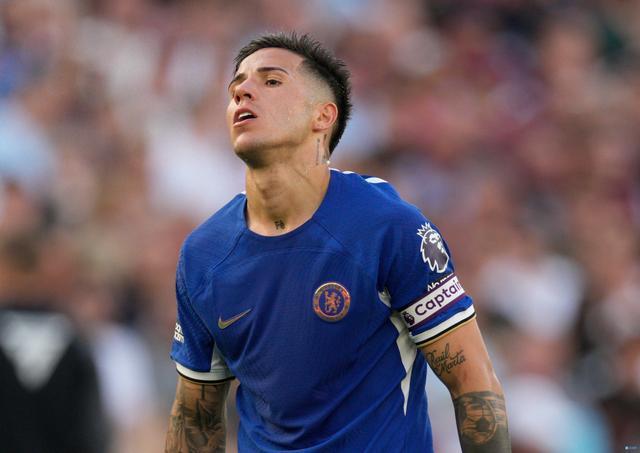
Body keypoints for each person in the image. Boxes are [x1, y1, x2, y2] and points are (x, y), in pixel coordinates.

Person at [165, 32, 511, 453]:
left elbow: (473, 383)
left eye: (271, 81)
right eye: (236, 86)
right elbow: (195, 420)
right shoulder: (204, 255)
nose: (243, 91)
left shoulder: (388, 228)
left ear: (323, 116)